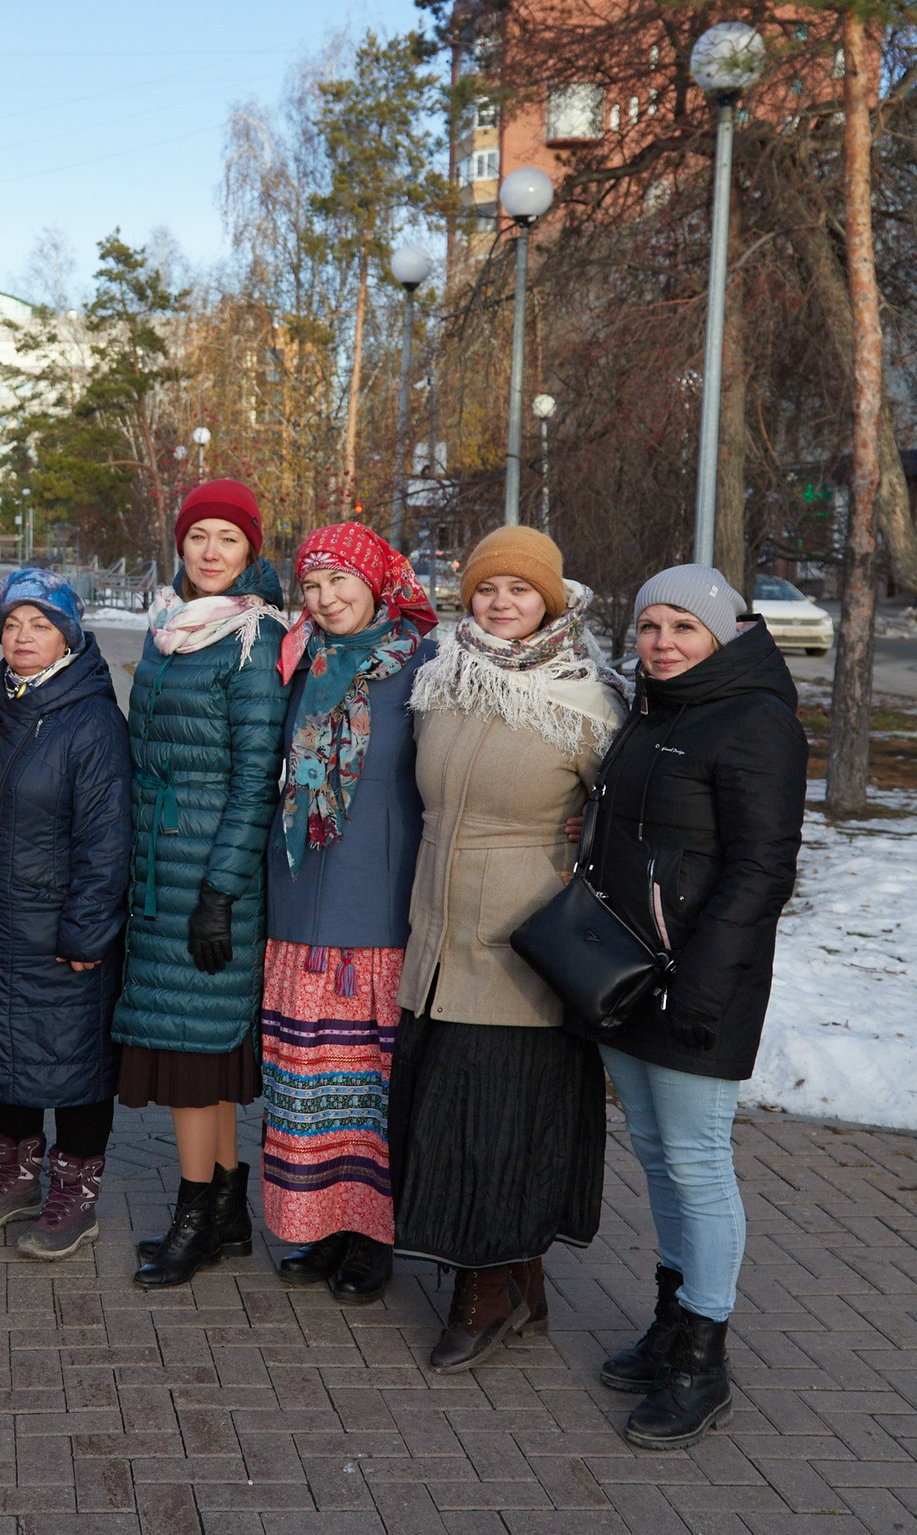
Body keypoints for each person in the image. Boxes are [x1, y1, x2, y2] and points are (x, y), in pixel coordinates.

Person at [388, 526, 625, 1373]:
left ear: (551, 602)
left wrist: (578, 863)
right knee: (443, 1117)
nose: (501, 602)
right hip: (438, 933)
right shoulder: (438, 679)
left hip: (524, 946)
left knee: (494, 1127)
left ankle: (483, 1296)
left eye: (521, 591)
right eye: (488, 588)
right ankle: (520, 1283)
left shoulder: (590, 700)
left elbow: (622, 821)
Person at [587, 564, 806, 1450]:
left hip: (699, 984)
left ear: (721, 632)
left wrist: (700, 984)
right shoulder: (653, 709)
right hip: (633, 975)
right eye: (650, 627)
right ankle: (672, 1320)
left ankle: (703, 1358)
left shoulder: (756, 720)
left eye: (683, 627)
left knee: (697, 1161)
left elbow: (762, 871)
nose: (663, 643)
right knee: (657, 1154)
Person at [116, 479, 289, 1290]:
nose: (212, 551)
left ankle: (192, 1218)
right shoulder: (166, 630)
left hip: (208, 878)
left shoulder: (252, 640)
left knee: (192, 1056)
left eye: (228, 538)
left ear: (251, 551)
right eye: (198, 537)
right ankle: (224, 1212)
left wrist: (220, 889)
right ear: (179, 547)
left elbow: (258, 776)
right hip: (160, 865)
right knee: (207, 1055)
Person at [258, 523, 436, 1307]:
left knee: (367, 1086)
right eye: (314, 585)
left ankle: (372, 1234)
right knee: (303, 1080)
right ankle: (319, 1222)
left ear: (375, 579)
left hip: (378, 910)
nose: (326, 598)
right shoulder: (299, 661)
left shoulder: (425, 667)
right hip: (299, 902)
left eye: (341, 581)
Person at [0, 570, 131, 1261]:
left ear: (69, 636)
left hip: (61, 931)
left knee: (74, 1060)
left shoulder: (91, 720)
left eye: (41, 624)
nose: (23, 637)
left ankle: (74, 1194)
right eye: (13, 624)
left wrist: (88, 926)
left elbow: (107, 835)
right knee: (4, 1052)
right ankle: (16, 1175)